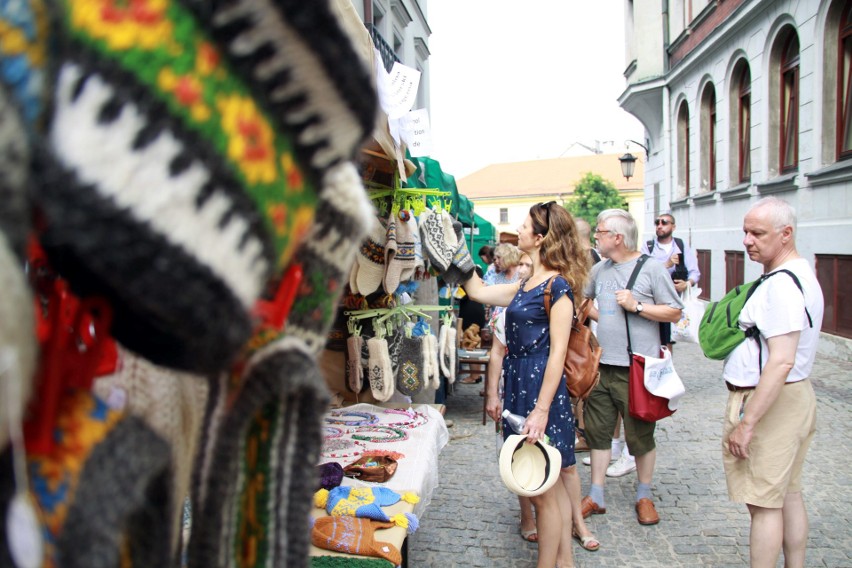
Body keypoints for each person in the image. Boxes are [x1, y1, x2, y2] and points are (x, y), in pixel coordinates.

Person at [466, 202, 590, 568]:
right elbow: (477, 292)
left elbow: (557, 355)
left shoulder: (559, 287)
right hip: (520, 384)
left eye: (524, 226)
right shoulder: (525, 284)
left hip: (541, 393)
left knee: (544, 489)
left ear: (541, 237)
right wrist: (455, 252)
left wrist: (541, 410)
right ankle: (564, 561)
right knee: (537, 485)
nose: (517, 230)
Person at [722, 197, 823, 568]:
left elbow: (781, 360)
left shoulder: (781, 285)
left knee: (764, 505)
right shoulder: (800, 273)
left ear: (786, 234)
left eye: (757, 233)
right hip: (793, 396)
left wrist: (747, 423)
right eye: (745, 231)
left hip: (771, 401)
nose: (748, 240)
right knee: (788, 493)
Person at [581, 209, 683, 526]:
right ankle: (596, 496)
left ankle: (644, 495)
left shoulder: (651, 269)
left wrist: (636, 306)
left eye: (600, 232)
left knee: (640, 435)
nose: (596, 236)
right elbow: (585, 302)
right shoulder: (599, 270)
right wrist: (604, 318)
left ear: (617, 237)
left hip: (636, 368)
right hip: (602, 366)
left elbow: (674, 312)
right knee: (598, 433)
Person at [640, 212, 700, 350]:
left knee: (668, 341)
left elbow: (694, 272)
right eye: (657, 222)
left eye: (664, 222)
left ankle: (666, 367)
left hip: (672, 301)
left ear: (673, 227)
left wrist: (687, 284)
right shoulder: (648, 247)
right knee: (651, 337)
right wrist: (666, 265)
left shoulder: (681, 245)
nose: (660, 226)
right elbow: (643, 272)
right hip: (652, 300)